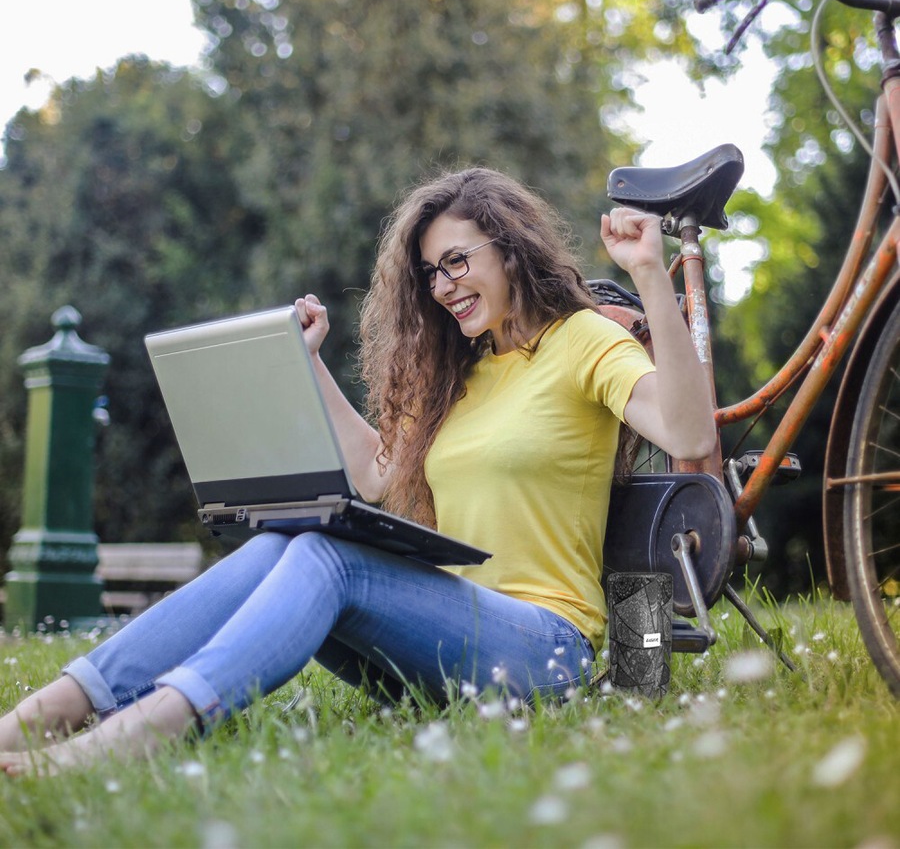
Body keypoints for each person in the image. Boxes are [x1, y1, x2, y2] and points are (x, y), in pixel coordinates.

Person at [0, 167, 715, 775]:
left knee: (328, 555)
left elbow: (687, 431)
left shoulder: (582, 341)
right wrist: (309, 363)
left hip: (544, 650)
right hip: (441, 645)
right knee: (284, 543)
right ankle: (45, 713)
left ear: (510, 248)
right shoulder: (462, 372)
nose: (442, 286)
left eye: (456, 262)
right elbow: (377, 476)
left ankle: (152, 725)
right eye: (430, 273)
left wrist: (649, 275)